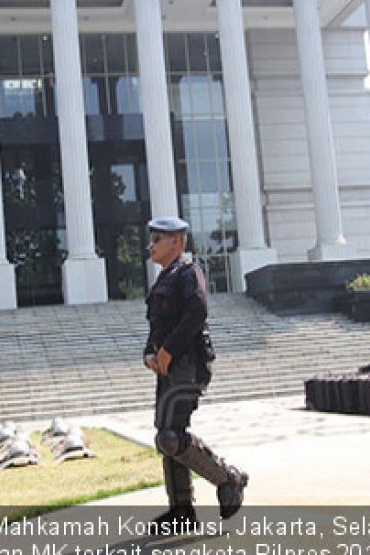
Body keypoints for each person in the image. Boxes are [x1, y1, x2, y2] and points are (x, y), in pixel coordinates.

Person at [143, 216, 248, 525]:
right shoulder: (162, 281)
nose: (151, 246)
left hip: (188, 366)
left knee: (172, 436)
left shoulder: (189, 273)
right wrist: (150, 354)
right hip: (168, 369)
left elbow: (197, 311)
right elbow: (157, 328)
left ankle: (229, 479)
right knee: (166, 436)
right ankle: (181, 510)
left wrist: (169, 349)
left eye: (157, 239)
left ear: (177, 241)